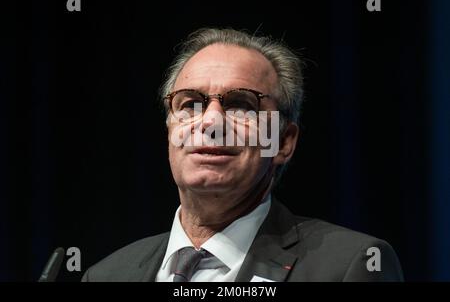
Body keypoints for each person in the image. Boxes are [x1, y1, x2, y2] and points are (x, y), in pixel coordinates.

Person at [81, 28, 404, 282]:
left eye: (241, 104)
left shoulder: (350, 265)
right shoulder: (107, 274)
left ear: (283, 142)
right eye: (190, 103)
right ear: (169, 132)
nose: (210, 121)